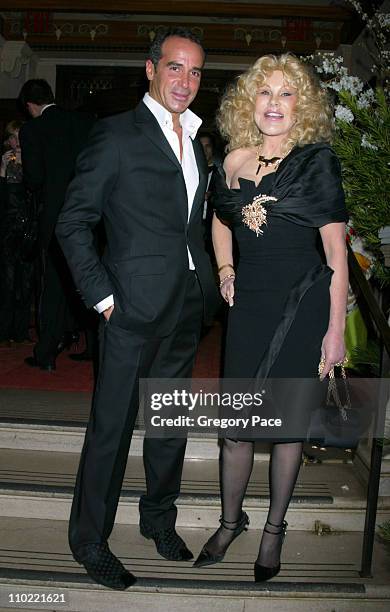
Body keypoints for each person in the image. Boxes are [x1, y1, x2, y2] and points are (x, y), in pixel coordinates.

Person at [56, 27, 218, 591]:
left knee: (169, 425)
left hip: (185, 309)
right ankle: (89, 541)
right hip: (128, 312)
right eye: (175, 67)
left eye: (196, 71)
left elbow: (189, 222)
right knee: (111, 429)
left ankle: (159, 521)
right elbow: (72, 222)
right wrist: (103, 299)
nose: (186, 81)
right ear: (150, 70)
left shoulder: (198, 139)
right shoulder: (117, 136)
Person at [193, 53, 348, 581]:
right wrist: (226, 267)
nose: (274, 103)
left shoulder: (315, 160)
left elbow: (336, 254)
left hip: (303, 305)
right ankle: (231, 520)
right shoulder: (233, 160)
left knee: (286, 431)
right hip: (251, 307)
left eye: (286, 93)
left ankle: (274, 532)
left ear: (299, 104)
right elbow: (219, 217)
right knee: (236, 429)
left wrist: (334, 332)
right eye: (264, 92)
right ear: (248, 102)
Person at [18, 79, 94, 371]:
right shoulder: (84, 121)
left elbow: (34, 178)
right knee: (87, 279)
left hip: (55, 218)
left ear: (30, 106)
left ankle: (46, 353)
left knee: (52, 284)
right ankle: (92, 346)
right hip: (88, 214)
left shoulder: (33, 130)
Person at [0, 121, 34, 345]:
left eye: (19, 137)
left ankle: (21, 332)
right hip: (8, 228)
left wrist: (27, 165)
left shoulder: (33, 158)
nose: (16, 142)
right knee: (8, 282)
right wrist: (2, 169)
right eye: (12, 137)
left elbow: (36, 191)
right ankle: (4, 332)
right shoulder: (5, 160)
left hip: (29, 227)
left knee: (26, 282)